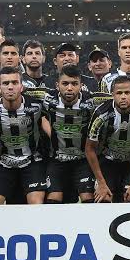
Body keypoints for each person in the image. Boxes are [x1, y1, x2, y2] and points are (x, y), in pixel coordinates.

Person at [0, 67, 47, 205]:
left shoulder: (37, 105)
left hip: (32, 161)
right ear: (0, 87)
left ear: (21, 86)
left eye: (14, 82)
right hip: (4, 162)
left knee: (36, 204)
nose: (10, 87)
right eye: (6, 83)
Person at [41, 65, 102, 204]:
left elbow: (115, 97)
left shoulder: (91, 100)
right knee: (53, 199)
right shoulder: (48, 98)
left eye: (74, 84)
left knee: (87, 197)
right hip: (57, 159)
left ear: (81, 86)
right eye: (65, 83)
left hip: (82, 160)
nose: (69, 88)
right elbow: (21, 90)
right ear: (57, 85)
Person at [86, 75, 130, 203]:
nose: (123, 97)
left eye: (127, 93)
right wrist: (101, 183)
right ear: (112, 95)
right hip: (107, 163)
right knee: (104, 198)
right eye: (119, 93)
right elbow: (89, 149)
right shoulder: (101, 114)